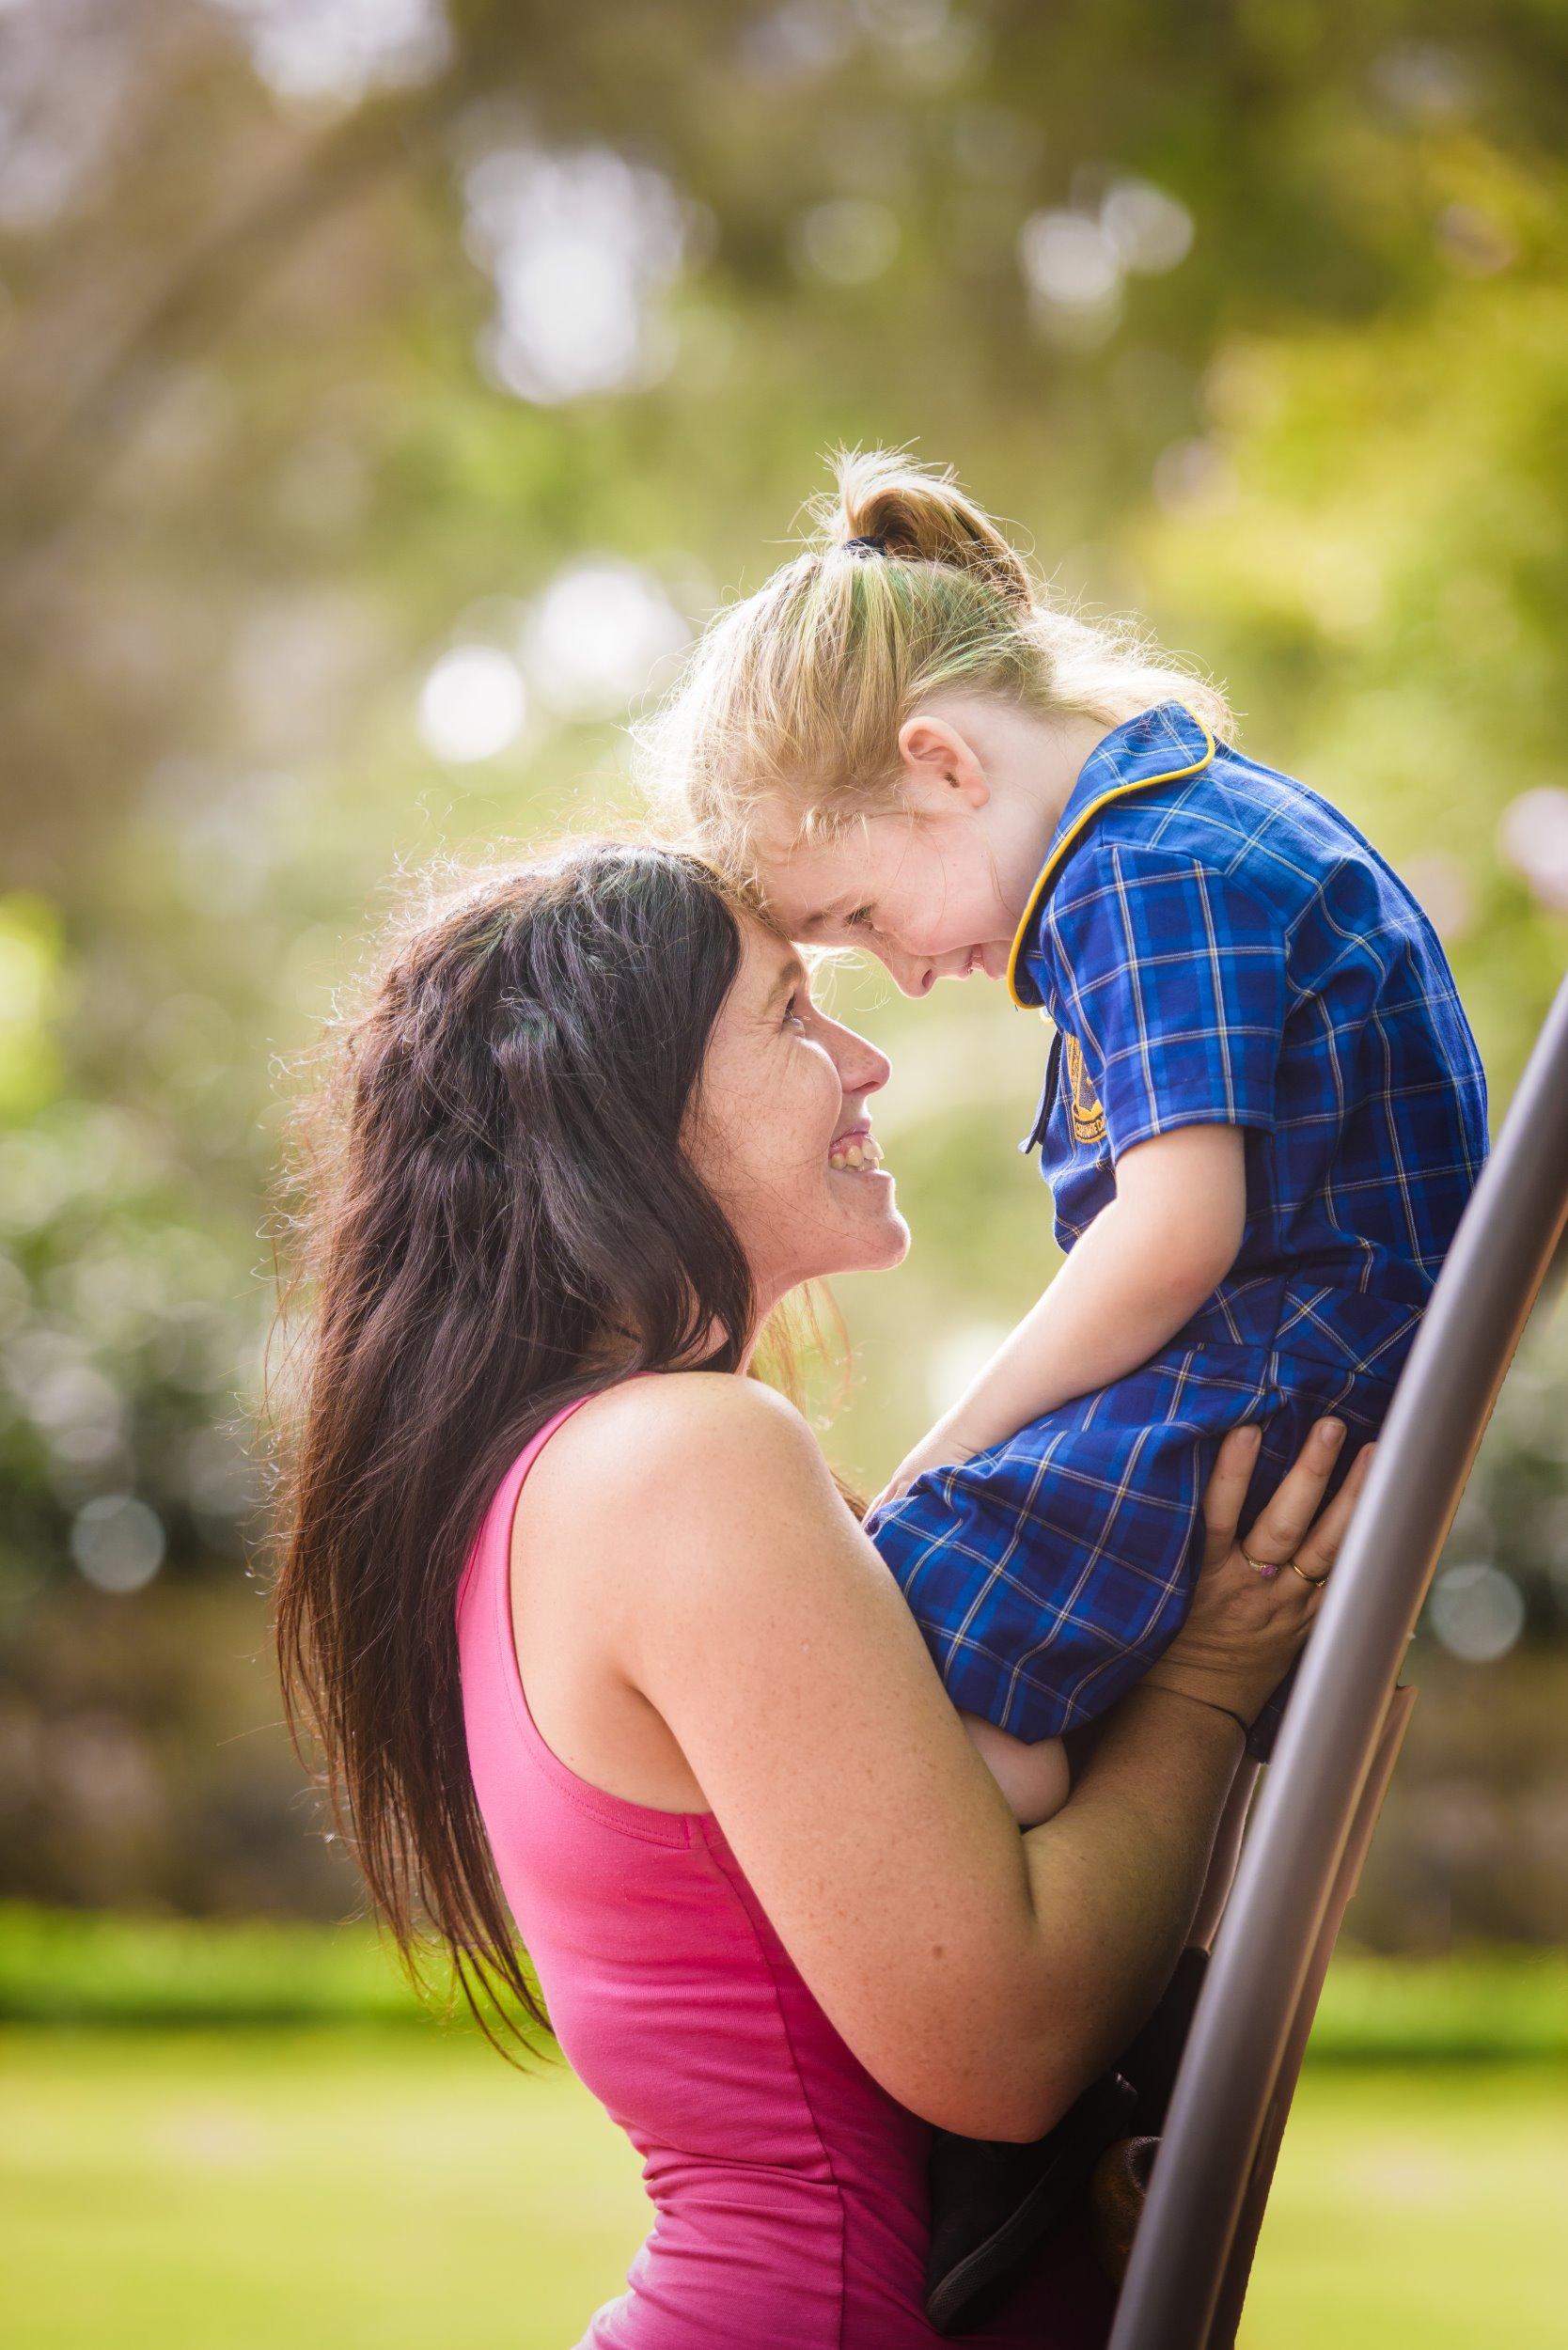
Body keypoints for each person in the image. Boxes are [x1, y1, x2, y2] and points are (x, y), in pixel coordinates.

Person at [273, 842, 1372, 2350]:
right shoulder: (680, 1461)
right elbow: (1001, 2039)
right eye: (792, 1012)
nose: (867, 1064)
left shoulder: (575, 1473)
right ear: (625, 1111)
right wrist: (1199, 1689)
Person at [640, 447, 1487, 1814]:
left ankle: (1007, 1935)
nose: (905, 974)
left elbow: (1171, 1238)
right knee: (891, 1642)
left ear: (942, 764)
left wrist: (945, 1458)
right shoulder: (1173, 834)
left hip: (1276, 1380)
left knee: (878, 1621)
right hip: (1283, 1374)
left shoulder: (1149, 870)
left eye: (861, 917)